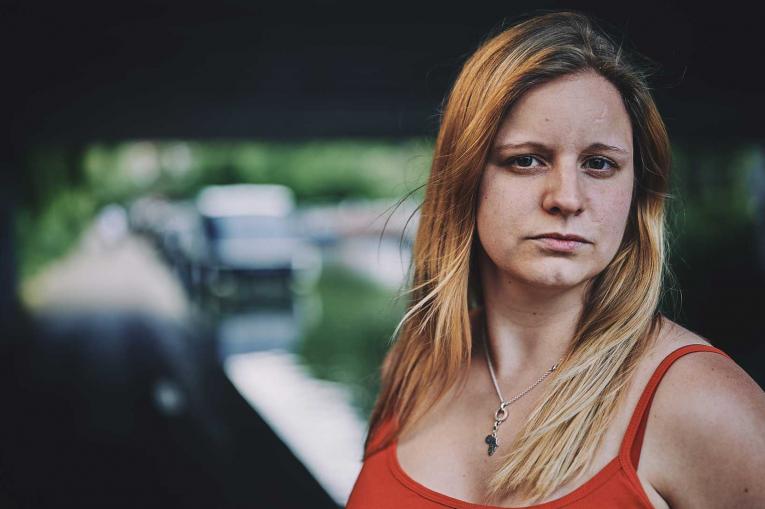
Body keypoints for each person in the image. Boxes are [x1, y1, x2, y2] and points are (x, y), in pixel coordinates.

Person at [346, 10, 765, 509]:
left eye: (600, 164)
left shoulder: (699, 400)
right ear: (466, 179)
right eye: (527, 159)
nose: (566, 197)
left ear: (637, 193)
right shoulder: (415, 367)